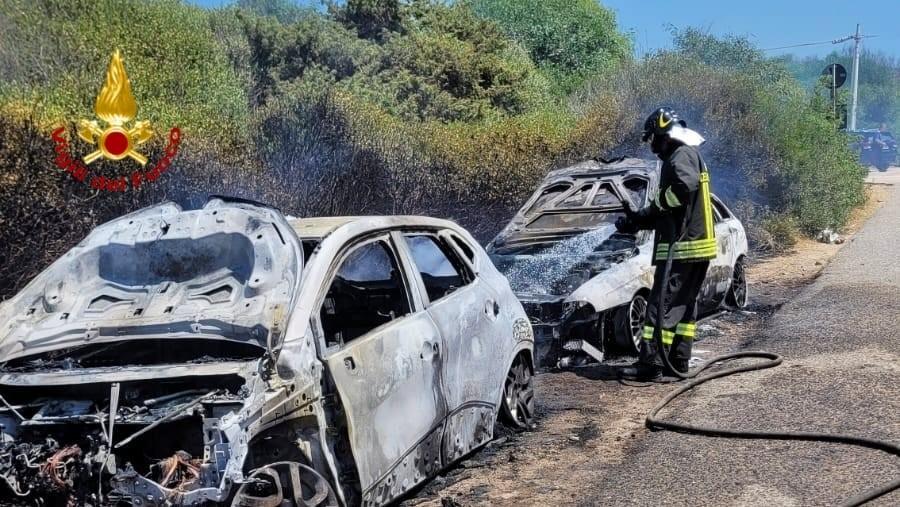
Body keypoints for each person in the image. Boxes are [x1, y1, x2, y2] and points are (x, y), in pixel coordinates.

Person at [616, 107, 716, 380]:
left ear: (664, 135)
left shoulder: (680, 154)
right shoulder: (687, 154)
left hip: (683, 248)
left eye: (653, 139)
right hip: (694, 247)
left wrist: (655, 205)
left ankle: (651, 365)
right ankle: (678, 361)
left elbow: (683, 188)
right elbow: (671, 213)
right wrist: (637, 220)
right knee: (682, 308)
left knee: (661, 306)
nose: (652, 146)